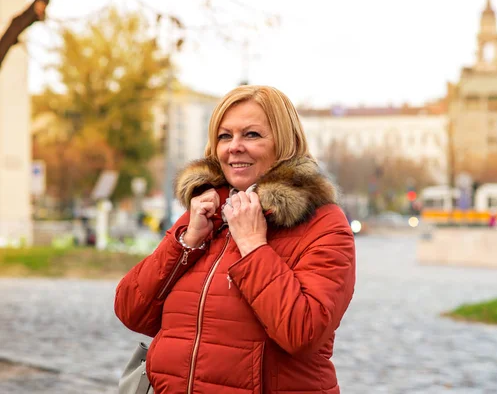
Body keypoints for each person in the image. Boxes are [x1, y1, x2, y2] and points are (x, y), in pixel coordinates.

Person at [114, 85, 356, 394]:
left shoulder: (323, 223)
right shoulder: (206, 211)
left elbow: (302, 333)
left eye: (252, 135)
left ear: (285, 143)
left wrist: (254, 247)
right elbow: (131, 310)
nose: (234, 147)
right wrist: (186, 243)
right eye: (224, 136)